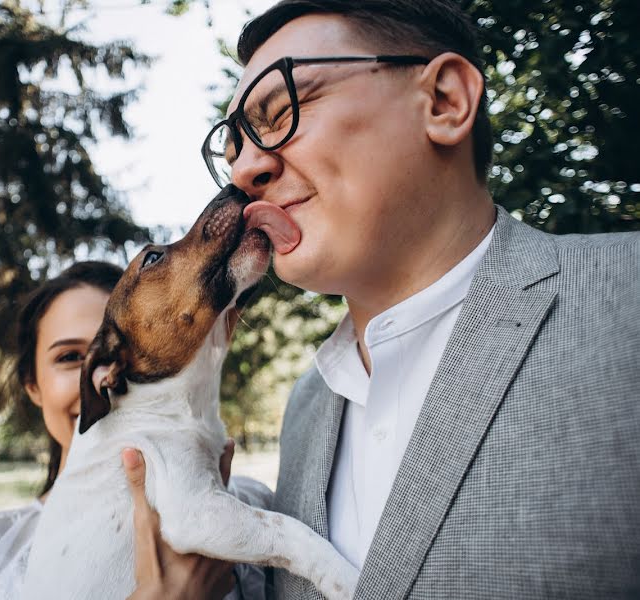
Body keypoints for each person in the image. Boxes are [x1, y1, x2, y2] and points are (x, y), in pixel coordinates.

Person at [124, 1, 640, 599]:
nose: (244, 171)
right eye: (234, 145)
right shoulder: (306, 408)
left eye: (284, 109)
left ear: (445, 100)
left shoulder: (625, 297)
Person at [0, 261, 270, 600]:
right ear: (33, 385)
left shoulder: (253, 510)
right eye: (70, 357)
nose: (101, 377)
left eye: (126, 347)